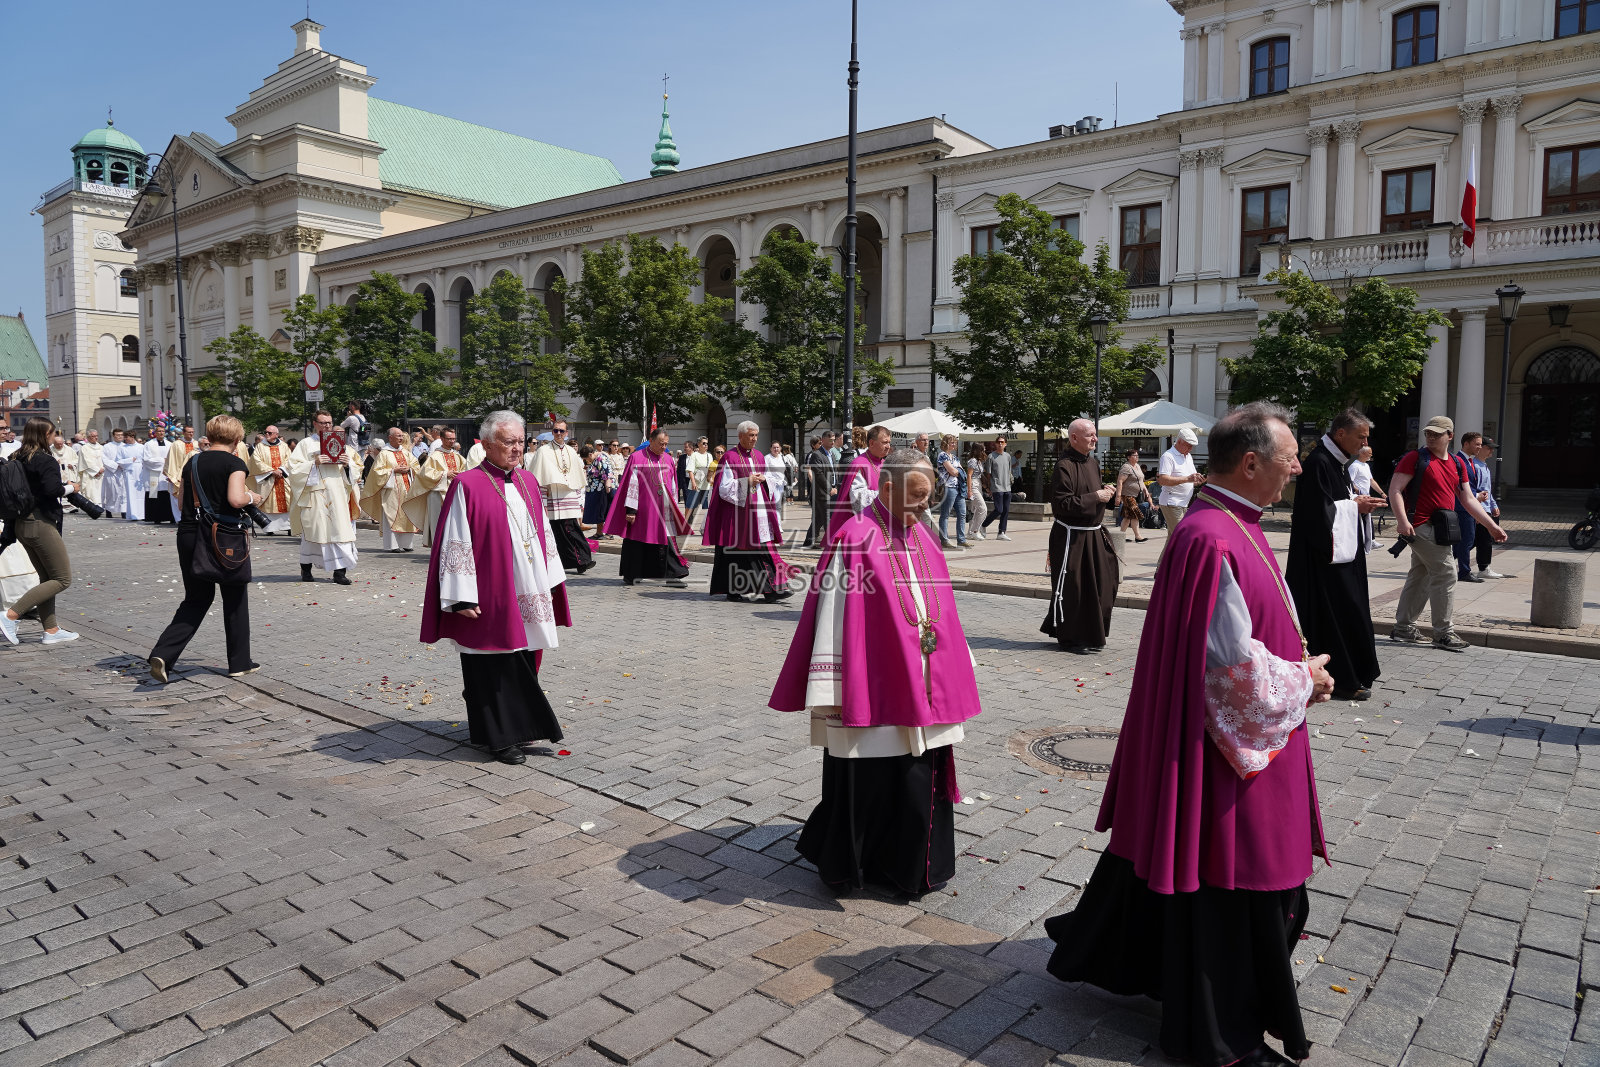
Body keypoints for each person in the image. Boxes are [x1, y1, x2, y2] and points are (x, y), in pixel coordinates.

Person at [1046, 401, 1336, 1067]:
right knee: (1238, 881)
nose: (1298, 468)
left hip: (1232, 742)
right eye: (1290, 456)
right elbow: (1231, 671)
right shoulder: (1212, 537)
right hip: (1222, 757)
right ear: (1251, 462)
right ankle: (1220, 1034)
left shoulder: (1232, 522)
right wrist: (1304, 680)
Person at [770, 447, 983, 896]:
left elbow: (941, 607)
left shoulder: (924, 535)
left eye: (930, 495)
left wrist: (954, 661)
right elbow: (833, 617)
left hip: (923, 677)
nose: (926, 504)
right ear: (887, 489)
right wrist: (834, 687)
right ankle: (858, 863)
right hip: (873, 682)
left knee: (915, 772)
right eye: (918, 495)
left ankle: (909, 868)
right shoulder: (853, 537)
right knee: (867, 773)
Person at [419, 410, 571, 766]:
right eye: (508, 442)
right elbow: (455, 541)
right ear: (487, 444)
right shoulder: (468, 484)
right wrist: (460, 596)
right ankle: (498, 738)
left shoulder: (529, 481)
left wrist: (551, 581)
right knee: (491, 662)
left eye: (520, 441)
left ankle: (520, 727)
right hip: (489, 591)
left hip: (528, 586)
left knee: (525, 656)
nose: (517, 448)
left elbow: (543, 533)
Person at [147, 414, 262, 682]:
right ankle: (239, 662)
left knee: (196, 598)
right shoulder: (235, 463)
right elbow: (235, 499)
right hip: (223, 536)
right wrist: (252, 496)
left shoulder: (193, 461)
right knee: (234, 597)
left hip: (190, 534)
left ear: (209, 436)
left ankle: (164, 654)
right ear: (237, 438)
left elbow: (181, 503)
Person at [1286, 409, 1385, 702]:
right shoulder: (1319, 462)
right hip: (1324, 562)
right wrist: (1355, 507)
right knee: (1337, 615)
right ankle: (1339, 678)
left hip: (1340, 555)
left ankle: (1351, 673)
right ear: (1341, 433)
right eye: (1361, 437)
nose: (1365, 444)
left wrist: (1354, 501)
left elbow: (1333, 501)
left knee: (1350, 610)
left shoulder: (1337, 461)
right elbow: (1316, 515)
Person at [1387, 416, 1507, 652]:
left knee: (1421, 574)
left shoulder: (1457, 463)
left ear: (1450, 436)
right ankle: (1443, 633)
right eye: (1428, 433)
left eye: (1437, 434)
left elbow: (1468, 499)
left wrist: (1491, 526)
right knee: (1446, 573)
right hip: (1420, 525)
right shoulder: (1415, 458)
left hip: (1442, 528)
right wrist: (1401, 520)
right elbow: (1395, 489)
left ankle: (1403, 628)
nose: (1431, 437)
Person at [0, 417, 82, 647]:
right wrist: (72, 487)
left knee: (47, 577)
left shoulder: (15, 456)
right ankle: (10, 615)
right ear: (45, 435)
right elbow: (52, 490)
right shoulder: (45, 459)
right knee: (62, 579)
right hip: (40, 523)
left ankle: (51, 629)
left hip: (20, 524)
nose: (55, 437)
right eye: (53, 433)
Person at [1041, 419, 1118, 654]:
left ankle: (1093, 634)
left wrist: (1108, 494)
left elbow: (1094, 493)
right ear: (1074, 438)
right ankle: (1071, 638)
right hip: (1070, 537)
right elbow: (1063, 503)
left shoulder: (1093, 463)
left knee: (1103, 584)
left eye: (1095, 434)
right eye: (1090, 435)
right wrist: (1096, 496)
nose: (1095, 439)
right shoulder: (1063, 466)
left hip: (1093, 534)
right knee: (1073, 588)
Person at [703, 421, 789, 602]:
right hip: (736, 514)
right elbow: (724, 488)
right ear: (740, 436)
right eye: (751, 435)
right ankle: (735, 590)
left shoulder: (759, 456)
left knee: (762, 549)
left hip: (758, 511)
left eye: (756, 435)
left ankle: (773, 589)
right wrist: (747, 481)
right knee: (736, 553)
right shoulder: (729, 457)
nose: (755, 439)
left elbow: (770, 480)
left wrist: (765, 479)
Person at [606, 427, 691, 587]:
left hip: (663, 509)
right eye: (660, 443)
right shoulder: (637, 457)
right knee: (636, 541)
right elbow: (632, 485)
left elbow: (673, 484)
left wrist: (673, 507)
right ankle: (632, 574)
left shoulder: (668, 459)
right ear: (651, 441)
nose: (664, 447)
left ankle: (672, 575)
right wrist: (631, 510)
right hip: (642, 509)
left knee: (666, 541)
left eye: (666, 444)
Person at [288, 410, 360, 585]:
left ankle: (340, 573)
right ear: (315, 424)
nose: (327, 426)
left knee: (339, 532)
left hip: (336, 493)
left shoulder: (340, 443)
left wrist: (347, 465)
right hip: (315, 494)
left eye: (329, 422)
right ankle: (306, 570)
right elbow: (294, 470)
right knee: (313, 532)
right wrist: (314, 463)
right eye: (323, 423)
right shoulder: (305, 444)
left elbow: (356, 471)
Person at [523, 419, 594, 574]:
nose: (559, 433)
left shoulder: (571, 452)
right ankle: (574, 561)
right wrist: (542, 502)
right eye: (556, 430)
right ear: (552, 432)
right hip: (552, 498)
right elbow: (539, 479)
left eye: (562, 431)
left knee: (570, 529)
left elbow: (577, 477)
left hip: (569, 496)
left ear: (566, 433)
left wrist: (579, 500)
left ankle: (582, 560)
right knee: (557, 532)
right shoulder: (543, 451)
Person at [361, 427, 423, 552]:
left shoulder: (405, 452)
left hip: (407, 488)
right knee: (391, 515)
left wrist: (409, 469)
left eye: (401, 436)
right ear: (390, 437)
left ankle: (407, 544)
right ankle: (392, 545)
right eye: (398, 436)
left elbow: (416, 466)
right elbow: (376, 472)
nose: (401, 438)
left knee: (407, 515)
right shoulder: (384, 453)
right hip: (391, 491)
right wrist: (394, 470)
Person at [828, 425, 892, 543]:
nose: (888, 446)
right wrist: (887, 496)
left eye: (889, 442)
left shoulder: (886, 463)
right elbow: (857, 499)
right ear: (871, 443)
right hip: (865, 526)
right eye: (885, 442)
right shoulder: (859, 464)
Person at [410, 428, 467, 547]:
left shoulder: (458, 457)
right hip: (437, 494)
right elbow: (424, 474)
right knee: (438, 523)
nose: (452, 441)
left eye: (453, 439)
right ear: (442, 439)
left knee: (455, 523)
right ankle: (438, 549)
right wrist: (445, 474)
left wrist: (461, 475)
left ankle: (452, 548)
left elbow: (466, 472)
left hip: (455, 494)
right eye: (449, 439)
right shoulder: (434, 456)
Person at [1452, 431, 1494, 584]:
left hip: (1468, 507)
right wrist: (1477, 497)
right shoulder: (1458, 461)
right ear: (1466, 444)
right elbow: (1457, 486)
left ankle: (1447, 566)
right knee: (1466, 540)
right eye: (1477, 444)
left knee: (1464, 541)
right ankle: (1464, 571)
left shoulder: (1469, 461)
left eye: (1480, 444)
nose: (1479, 447)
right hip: (1462, 507)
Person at [246, 425, 294, 535]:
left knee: (288, 502)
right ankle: (269, 528)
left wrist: (281, 470)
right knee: (268, 503)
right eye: (266, 432)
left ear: (276, 434)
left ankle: (288, 527)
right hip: (268, 480)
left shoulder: (284, 446)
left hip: (283, 479)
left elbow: (289, 459)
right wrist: (271, 471)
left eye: (269, 433)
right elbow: (256, 461)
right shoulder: (260, 446)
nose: (267, 434)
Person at [1157, 427, 1203, 533]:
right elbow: (1162, 480)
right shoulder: (1168, 456)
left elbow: (1191, 479)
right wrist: (1187, 479)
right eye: (1188, 446)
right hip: (1172, 502)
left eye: (1192, 446)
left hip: (1182, 503)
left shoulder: (1188, 456)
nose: (1190, 449)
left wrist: (1198, 480)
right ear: (1179, 442)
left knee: (1173, 536)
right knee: (1182, 534)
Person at [1472, 438, 1504, 579]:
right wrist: (1477, 512)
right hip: (1480, 510)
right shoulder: (1475, 466)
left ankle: (1484, 567)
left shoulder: (1484, 466)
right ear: (1480, 448)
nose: (1491, 451)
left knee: (1479, 539)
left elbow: (1487, 491)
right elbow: (1475, 492)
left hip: (1484, 509)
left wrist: (1493, 505)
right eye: (1489, 448)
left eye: (1492, 448)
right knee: (1481, 540)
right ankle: (1484, 568)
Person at [1348, 445, 1385, 551]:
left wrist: (1382, 493)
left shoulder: (1366, 466)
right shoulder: (1355, 466)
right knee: (1362, 521)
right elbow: (1350, 481)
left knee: (1368, 520)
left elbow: (1371, 481)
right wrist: (1358, 491)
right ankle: (1365, 542)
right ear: (1362, 453)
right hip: (1359, 498)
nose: (1371, 455)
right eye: (1369, 453)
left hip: (1366, 497)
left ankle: (1370, 541)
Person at [934, 433, 968, 548]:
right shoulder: (942, 455)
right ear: (946, 443)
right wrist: (958, 471)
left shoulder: (954, 457)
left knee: (962, 514)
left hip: (958, 487)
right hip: (948, 487)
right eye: (952, 442)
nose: (954, 444)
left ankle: (961, 539)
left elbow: (962, 472)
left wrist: (958, 471)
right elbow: (953, 471)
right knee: (945, 514)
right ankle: (944, 540)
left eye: (955, 442)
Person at [804, 433, 836, 549]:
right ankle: (831, 544)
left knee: (818, 519)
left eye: (834, 440)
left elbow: (834, 472)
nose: (833, 442)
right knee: (827, 518)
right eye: (830, 440)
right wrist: (829, 489)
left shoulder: (831, 454)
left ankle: (809, 541)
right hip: (822, 492)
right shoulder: (816, 455)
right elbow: (818, 474)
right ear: (823, 440)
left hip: (832, 489)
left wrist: (836, 486)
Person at [1115, 448, 1152, 543]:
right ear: (1128, 457)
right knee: (1135, 514)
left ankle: (1121, 536)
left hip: (1135, 495)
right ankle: (1138, 536)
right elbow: (1120, 481)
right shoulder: (1126, 467)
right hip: (1127, 495)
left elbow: (1140, 480)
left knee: (1127, 516)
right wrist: (1118, 496)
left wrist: (1145, 490)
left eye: (1137, 455)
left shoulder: (1137, 466)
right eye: (1134, 455)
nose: (1137, 457)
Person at [142, 422, 174, 524]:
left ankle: (170, 516)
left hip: (166, 473)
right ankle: (156, 517)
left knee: (167, 494)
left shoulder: (170, 444)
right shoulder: (149, 444)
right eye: (159, 431)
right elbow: (146, 460)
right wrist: (162, 460)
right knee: (154, 494)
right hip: (153, 473)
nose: (161, 433)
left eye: (163, 431)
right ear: (155, 433)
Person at [983, 437, 1014, 540]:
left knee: (1006, 510)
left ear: (1005, 444)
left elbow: (1009, 471)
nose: (1000, 444)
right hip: (996, 487)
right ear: (995, 444)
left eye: (1002, 442)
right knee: (999, 510)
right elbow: (988, 474)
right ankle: (983, 525)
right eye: (998, 442)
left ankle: (1001, 532)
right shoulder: (991, 456)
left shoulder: (1008, 456)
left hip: (1007, 487)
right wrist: (989, 487)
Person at [74, 430, 105, 507]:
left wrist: (102, 469)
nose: (96, 438)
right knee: (91, 491)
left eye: (96, 436)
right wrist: (96, 471)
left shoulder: (102, 448)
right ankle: (93, 507)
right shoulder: (84, 448)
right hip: (90, 474)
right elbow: (86, 461)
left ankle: (101, 505)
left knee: (101, 491)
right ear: (88, 437)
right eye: (93, 436)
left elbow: (105, 459)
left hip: (102, 473)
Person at [965, 444, 988, 540]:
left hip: (978, 485)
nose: (984, 452)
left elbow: (980, 475)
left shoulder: (978, 461)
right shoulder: (973, 461)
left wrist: (986, 487)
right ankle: (975, 531)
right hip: (973, 485)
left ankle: (971, 532)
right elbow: (969, 475)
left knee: (976, 510)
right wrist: (969, 490)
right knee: (983, 509)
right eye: (982, 450)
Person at [768, 441, 790, 518]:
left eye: (777, 447)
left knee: (779, 505)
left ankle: (777, 522)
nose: (776, 449)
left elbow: (785, 470)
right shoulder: (767, 458)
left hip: (781, 485)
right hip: (772, 485)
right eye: (774, 447)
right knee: (775, 505)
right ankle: (775, 522)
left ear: (780, 448)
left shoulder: (782, 457)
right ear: (770, 449)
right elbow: (765, 472)